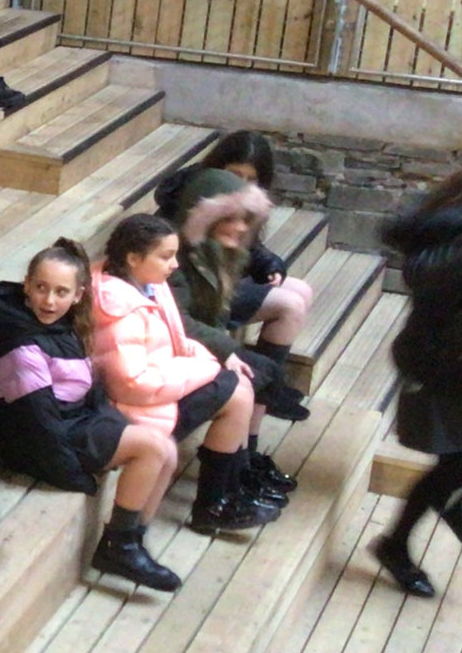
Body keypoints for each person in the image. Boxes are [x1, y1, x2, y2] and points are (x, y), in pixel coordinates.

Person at [0, 240, 182, 592]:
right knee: (150, 449)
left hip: (69, 423)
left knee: (166, 449)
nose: (49, 300)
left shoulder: (62, 326)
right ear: (26, 284)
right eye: (41, 288)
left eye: (61, 292)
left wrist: (113, 424)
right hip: (33, 443)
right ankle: (119, 546)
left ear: (77, 295)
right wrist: (73, 476)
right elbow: (37, 422)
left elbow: (89, 389)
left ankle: (131, 538)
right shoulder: (22, 344)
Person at [91, 214, 279, 534]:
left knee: (239, 385)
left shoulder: (151, 285)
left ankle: (223, 495)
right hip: (130, 410)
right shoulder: (117, 307)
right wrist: (205, 368)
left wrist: (207, 360)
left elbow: (178, 339)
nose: (175, 265)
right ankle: (213, 503)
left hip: (160, 388)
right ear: (133, 258)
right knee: (235, 392)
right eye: (166, 256)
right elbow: (132, 384)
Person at [374, 150, 462, 598]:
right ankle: (396, 544)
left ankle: (456, 505)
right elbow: (422, 274)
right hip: (448, 364)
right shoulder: (460, 219)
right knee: (450, 467)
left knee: (455, 471)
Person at [164, 166, 310, 501]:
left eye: (246, 221)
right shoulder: (177, 256)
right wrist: (227, 350)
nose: (242, 228)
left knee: (263, 373)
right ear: (207, 218)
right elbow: (179, 321)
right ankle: (221, 495)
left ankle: (242, 467)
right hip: (176, 350)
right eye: (233, 219)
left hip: (199, 344)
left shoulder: (220, 255)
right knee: (252, 379)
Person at [155, 129, 316, 373]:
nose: (241, 184)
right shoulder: (192, 203)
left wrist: (269, 264)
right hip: (194, 293)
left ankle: (265, 384)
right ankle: (262, 383)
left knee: (301, 290)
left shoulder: (244, 207)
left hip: (220, 285)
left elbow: (246, 248)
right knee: (290, 305)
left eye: (250, 179)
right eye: (234, 174)